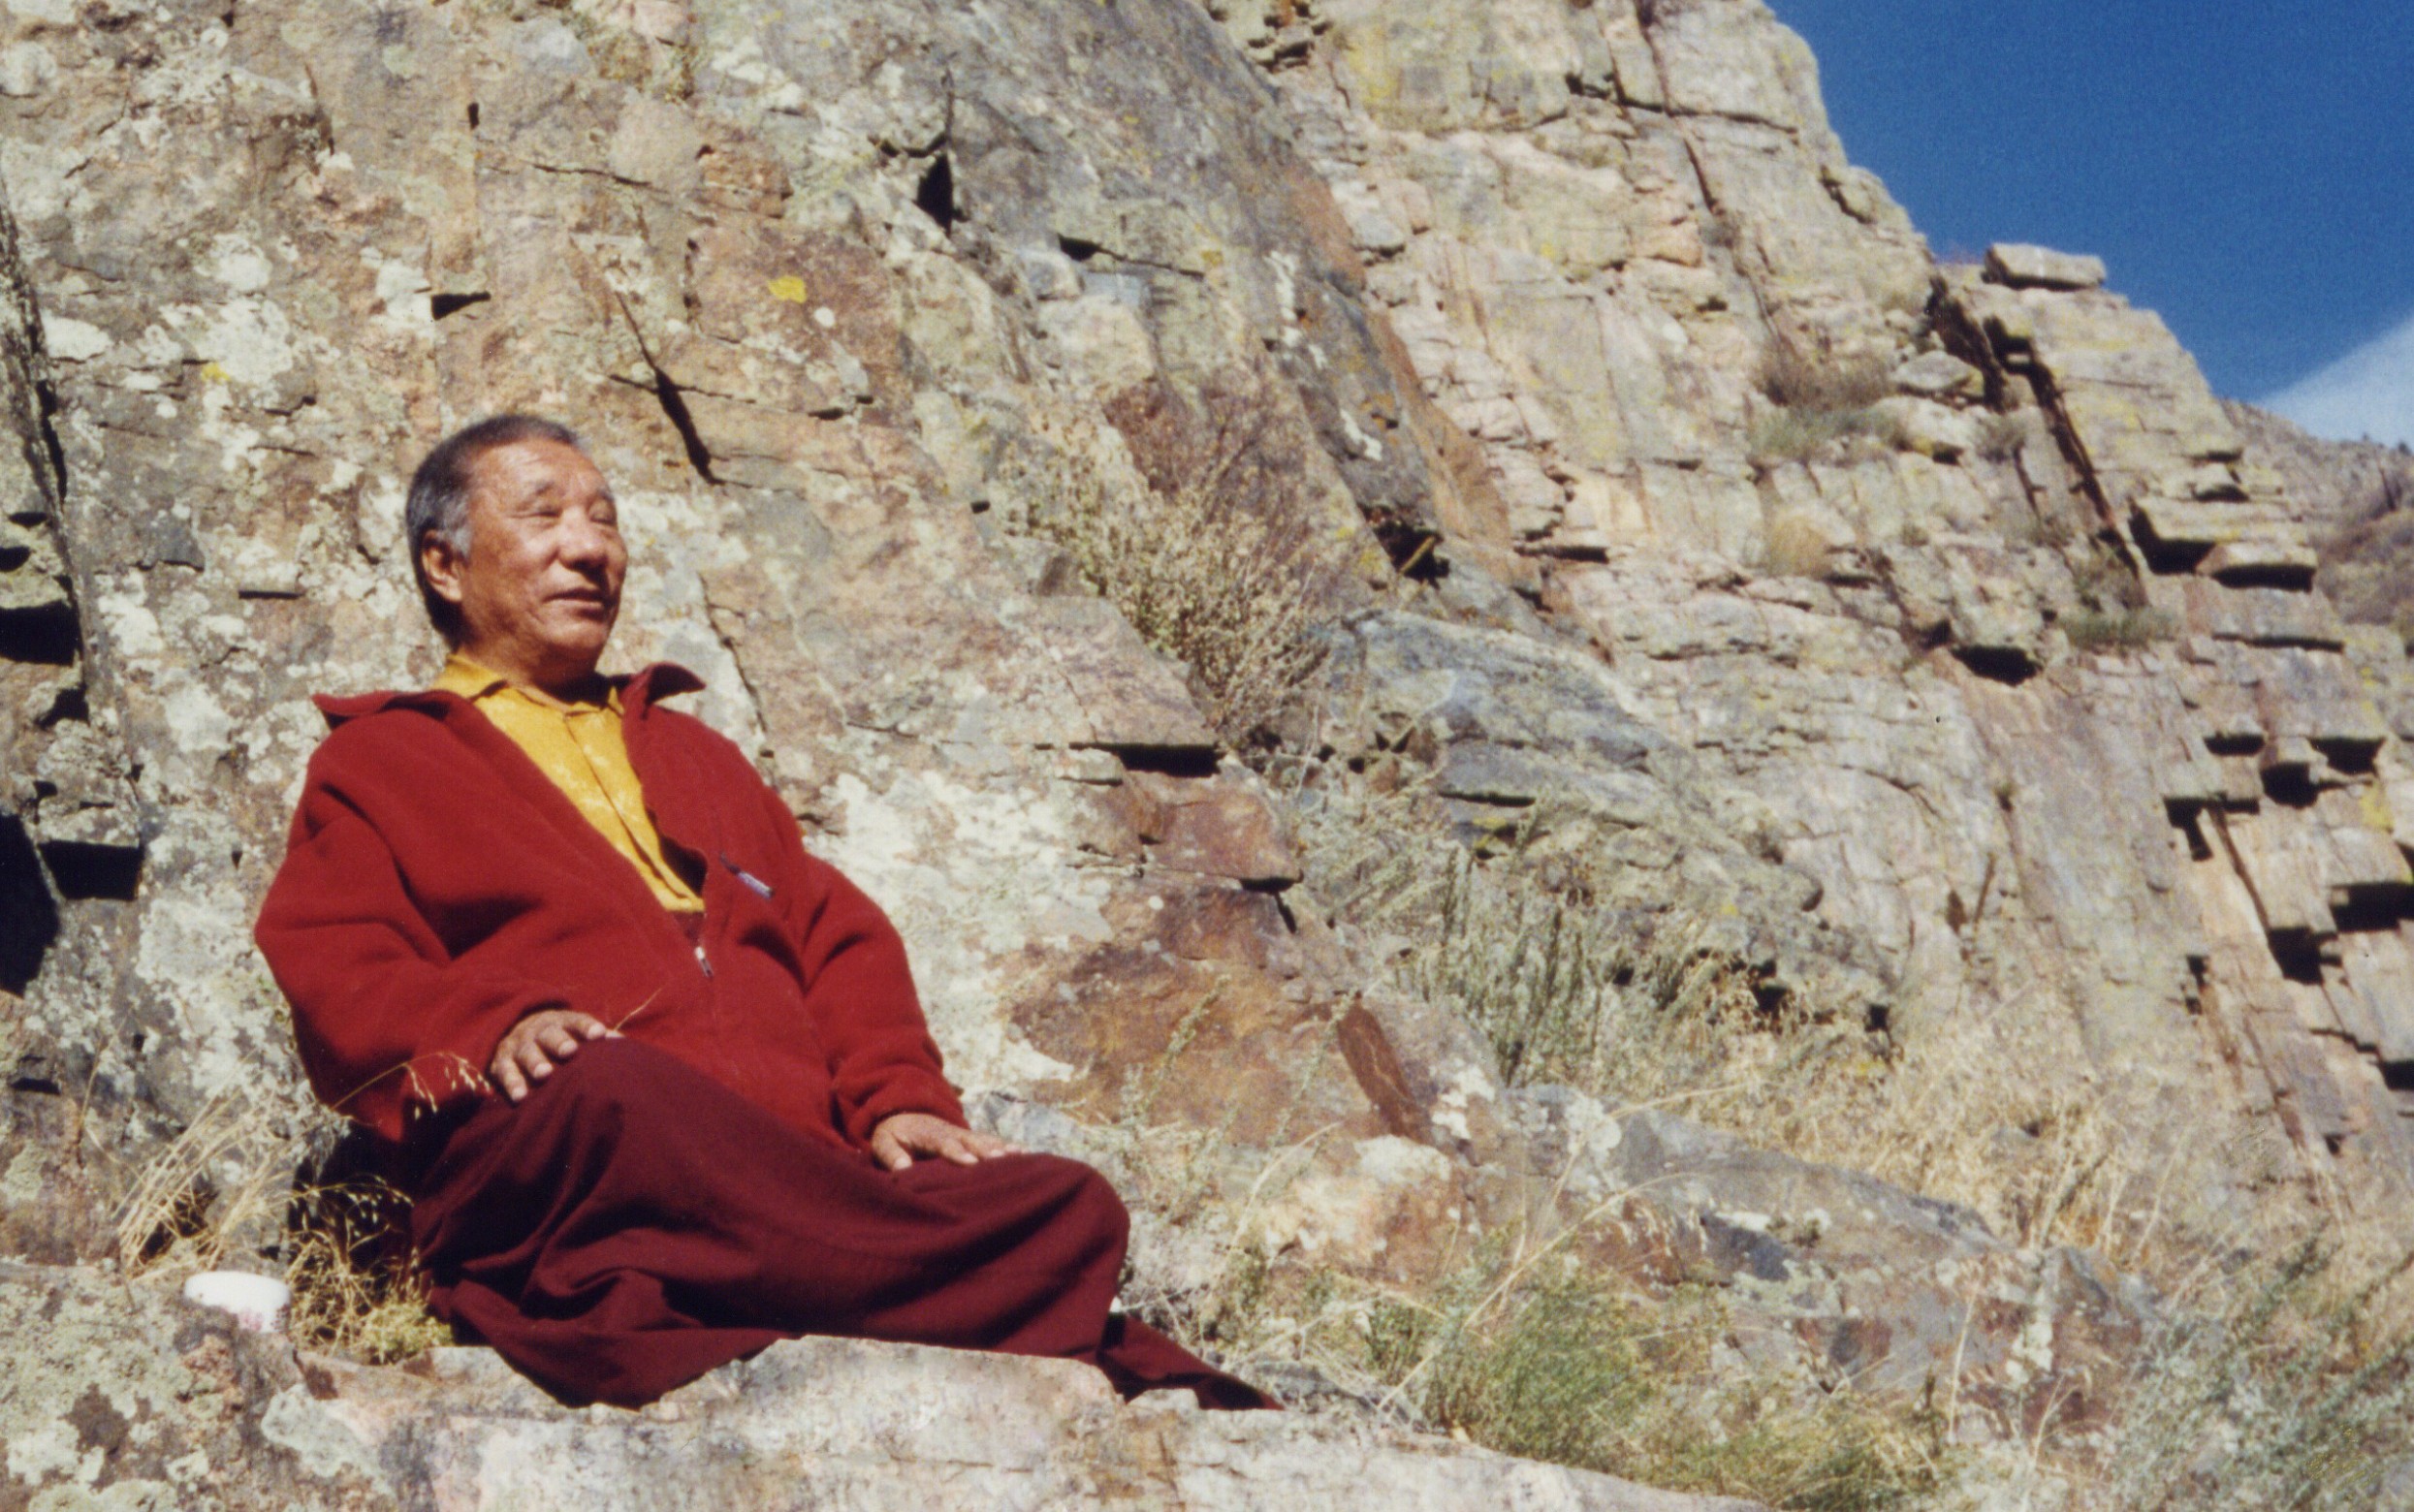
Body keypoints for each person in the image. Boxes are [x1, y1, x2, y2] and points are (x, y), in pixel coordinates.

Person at [253, 415, 1273, 1411]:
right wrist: (490, 1028)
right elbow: (337, 962)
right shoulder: (382, 761)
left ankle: (769, 1280)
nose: (590, 548)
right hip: (590, 1147)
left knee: (1072, 1200)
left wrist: (898, 1102)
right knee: (611, 1088)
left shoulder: (701, 758)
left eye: (604, 519)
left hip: (796, 1173)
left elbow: (838, 940)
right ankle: (901, 1284)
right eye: (545, 514)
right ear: (445, 566)